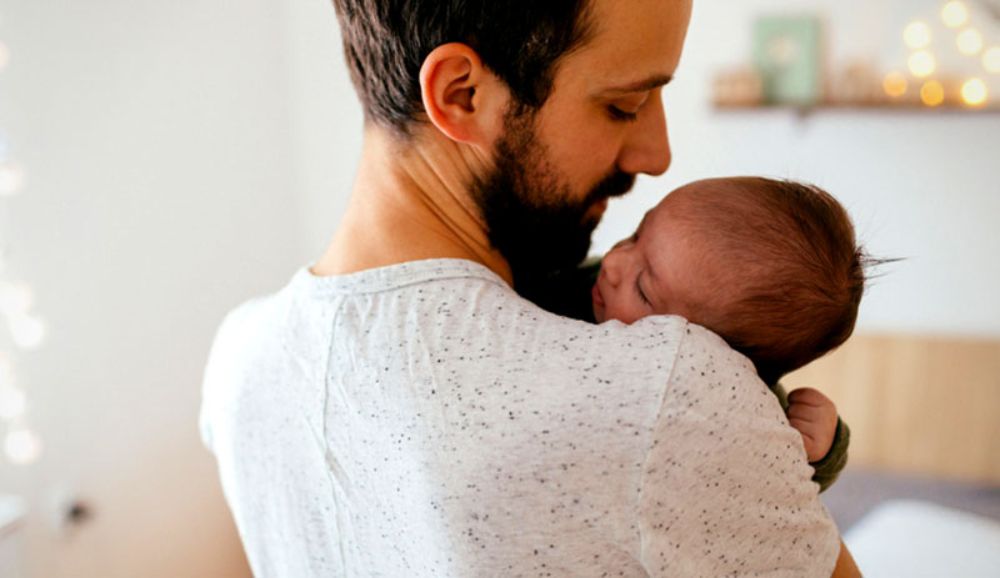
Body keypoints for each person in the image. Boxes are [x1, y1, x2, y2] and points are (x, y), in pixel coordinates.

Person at [200, 1, 861, 576]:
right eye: (622, 104)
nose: (657, 155)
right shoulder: (672, 383)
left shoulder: (239, 358)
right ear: (462, 94)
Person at [583, 176, 863, 487]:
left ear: (717, 364)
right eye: (635, 235)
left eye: (643, 289)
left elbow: (768, 484)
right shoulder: (575, 284)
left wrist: (821, 451)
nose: (611, 262)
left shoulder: (737, 403)